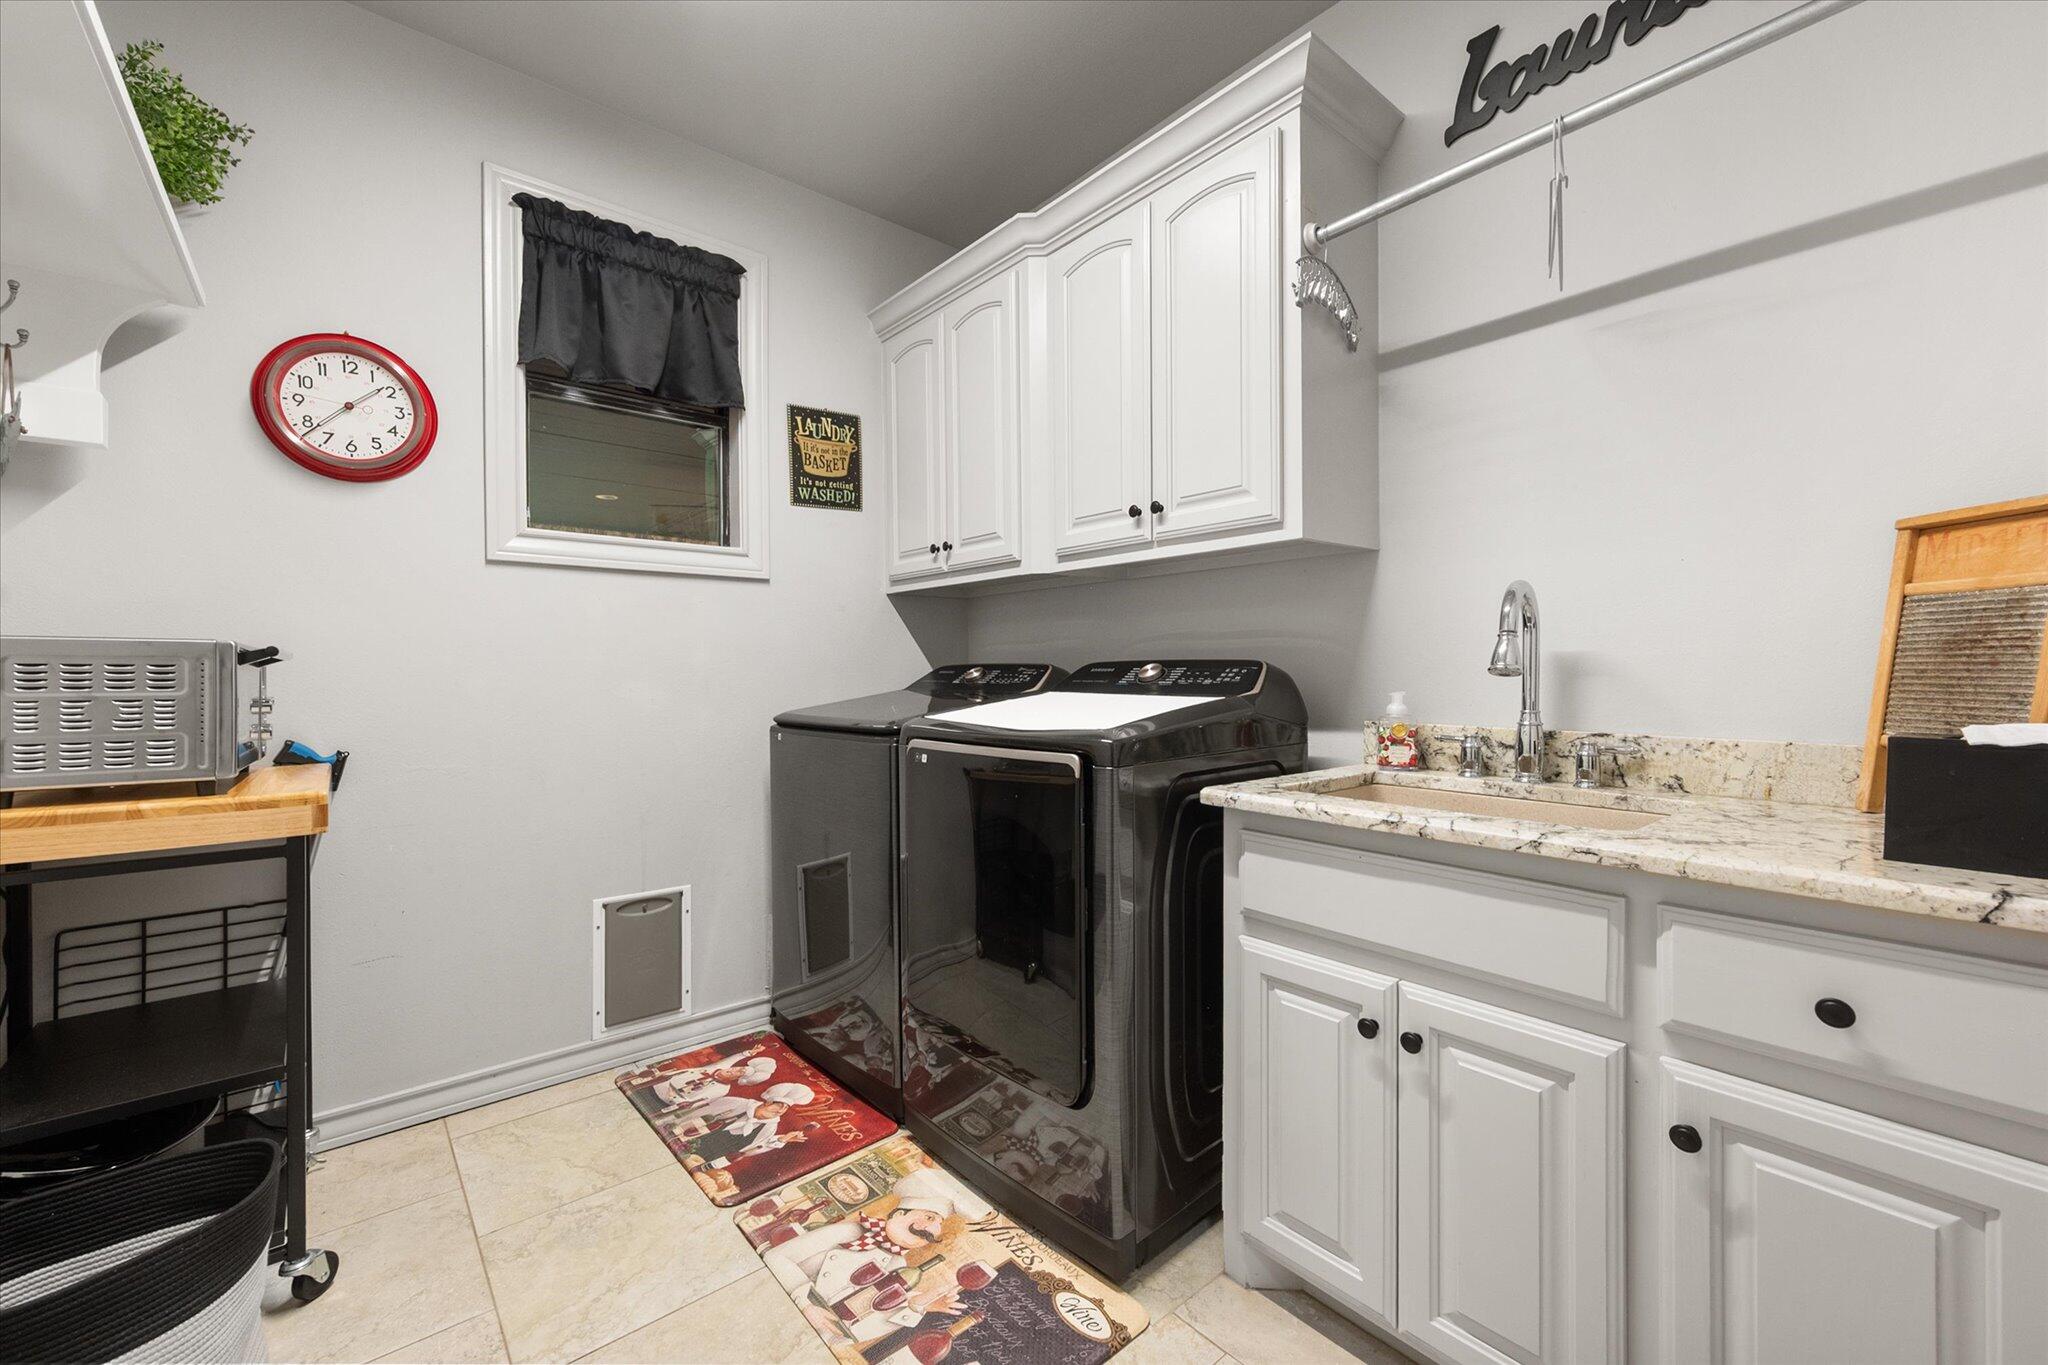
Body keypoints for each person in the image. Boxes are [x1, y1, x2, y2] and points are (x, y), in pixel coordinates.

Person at [761, 1167, 989, 1335]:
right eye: (929, 1218)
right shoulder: (850, 1231)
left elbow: (861, 1330)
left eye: (938, 1224)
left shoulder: (898, 1266)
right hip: (770, 1296)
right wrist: (805, 1304)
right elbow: (776, 1256)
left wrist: (917, 1307)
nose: (931, 1230)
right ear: (899, 1214)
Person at [682, 1082, 816, 1169]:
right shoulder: (735, 1103)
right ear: (768, 1102)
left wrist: (782, 1140)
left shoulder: (770, 1127)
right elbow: (693, 1115)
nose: (781, 1111)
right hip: (680, 1143)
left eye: (786, 1108)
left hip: (698, 1163)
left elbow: (753, 1149)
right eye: (780, 1105)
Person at [640, 1048, 776, 1110]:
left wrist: (673, 1097)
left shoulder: (722, 1090)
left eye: (739, 1073)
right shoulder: (717, 1068)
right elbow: (732, 1059)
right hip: (655, 1084)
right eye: (738, 1067)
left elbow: (695, 1104)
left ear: (738, 1079)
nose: (733, 1070)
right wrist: (747, 1053)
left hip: (663, 1100)